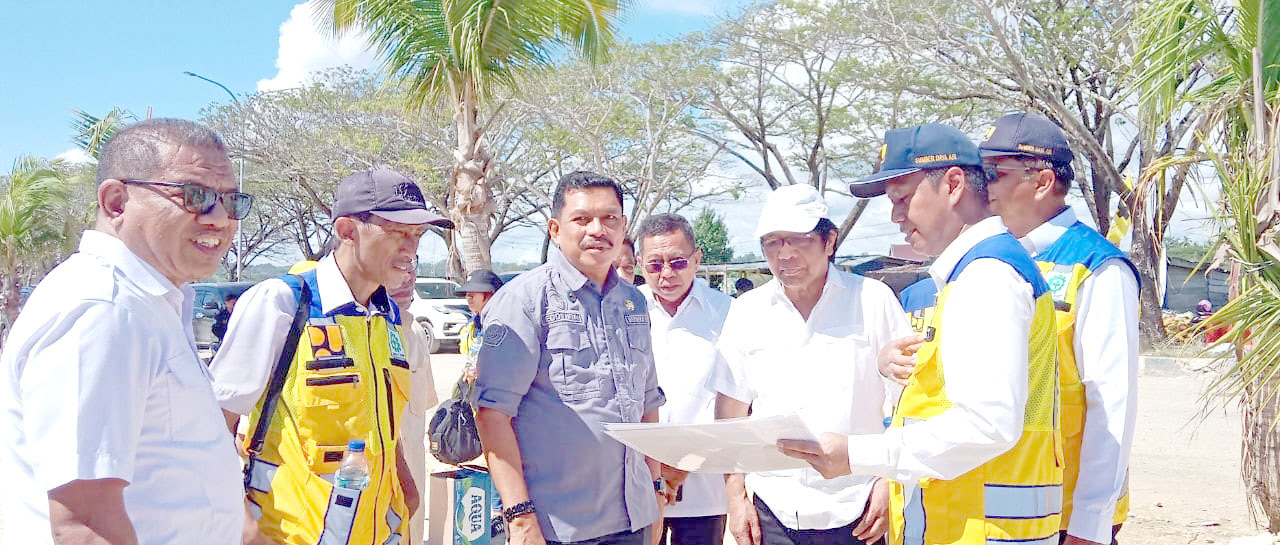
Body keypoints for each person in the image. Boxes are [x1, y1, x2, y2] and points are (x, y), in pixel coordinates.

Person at [778, 123, 1062, 545]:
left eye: (903, 199)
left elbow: (987, 426)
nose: (895, 217)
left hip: (980, 527)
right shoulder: (977, 272)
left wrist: (856, 454)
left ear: (952, 184)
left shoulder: (985, 277)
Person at [0, 118, 250, 544]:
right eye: (197, 197)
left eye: (232, 202)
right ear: (116, 202)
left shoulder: (153, 302)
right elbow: (83, 526)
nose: (221, 220)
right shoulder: (102, 309)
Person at [210, 167, 453, 545]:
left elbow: (381, 421)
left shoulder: (387, 316)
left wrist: (407, 489)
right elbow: (213, 425)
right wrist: (244, 527)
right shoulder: (284, 303)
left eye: (417, 235)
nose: (411, 249)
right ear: (346, 231)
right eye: (397, 233)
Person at [473, 170, 666, 545]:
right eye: (582, 219)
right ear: (555, 230)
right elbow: (492, 415)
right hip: (557, 527)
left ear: (623, 227)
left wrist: (655, 489)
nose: (598, 229)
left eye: (610, 218)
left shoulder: (634, 301)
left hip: (634, 518)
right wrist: (520, 518)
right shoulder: (524, 301)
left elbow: (647, 405)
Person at [709, 184, 910, 545]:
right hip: (773, 508)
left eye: (797, 239)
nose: (784, 254)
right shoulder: (746, 311)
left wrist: (889, 480)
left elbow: (908, 403)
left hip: (860, 505)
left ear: (829, 241)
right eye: (772, 242)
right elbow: (730, 414)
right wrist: (735, 497)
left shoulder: (873, 300)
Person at [972, 112, 1138, 545]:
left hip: (1065, 519)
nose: (982, 186)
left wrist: (1090, 523)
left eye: (994, 173)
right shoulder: (986, 262)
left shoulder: (1097, 267)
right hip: (996, 510)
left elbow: (1111, 404)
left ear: (1042, 181)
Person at [635, 213, 733, 545]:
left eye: (677, 262)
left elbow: (734, 400)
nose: (666, 274)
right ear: (639, 264)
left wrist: (684, 463)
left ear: (697, 259)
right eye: (654, 265)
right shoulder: (624, 312)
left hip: (706, 490)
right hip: (638, 488)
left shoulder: (729, 314)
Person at [389, 264, 440, 544]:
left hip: (413, 480)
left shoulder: (417, 332)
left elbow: (424, 402)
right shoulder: (353, 332)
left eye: (412, 268)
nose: (407, 278)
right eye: (396, 267)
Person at [457, 269, 505, 357]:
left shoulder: (504, 326)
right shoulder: (472, 325)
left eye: (472, 293)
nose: (468, 297)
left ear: (489, 295)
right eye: (467, 293)